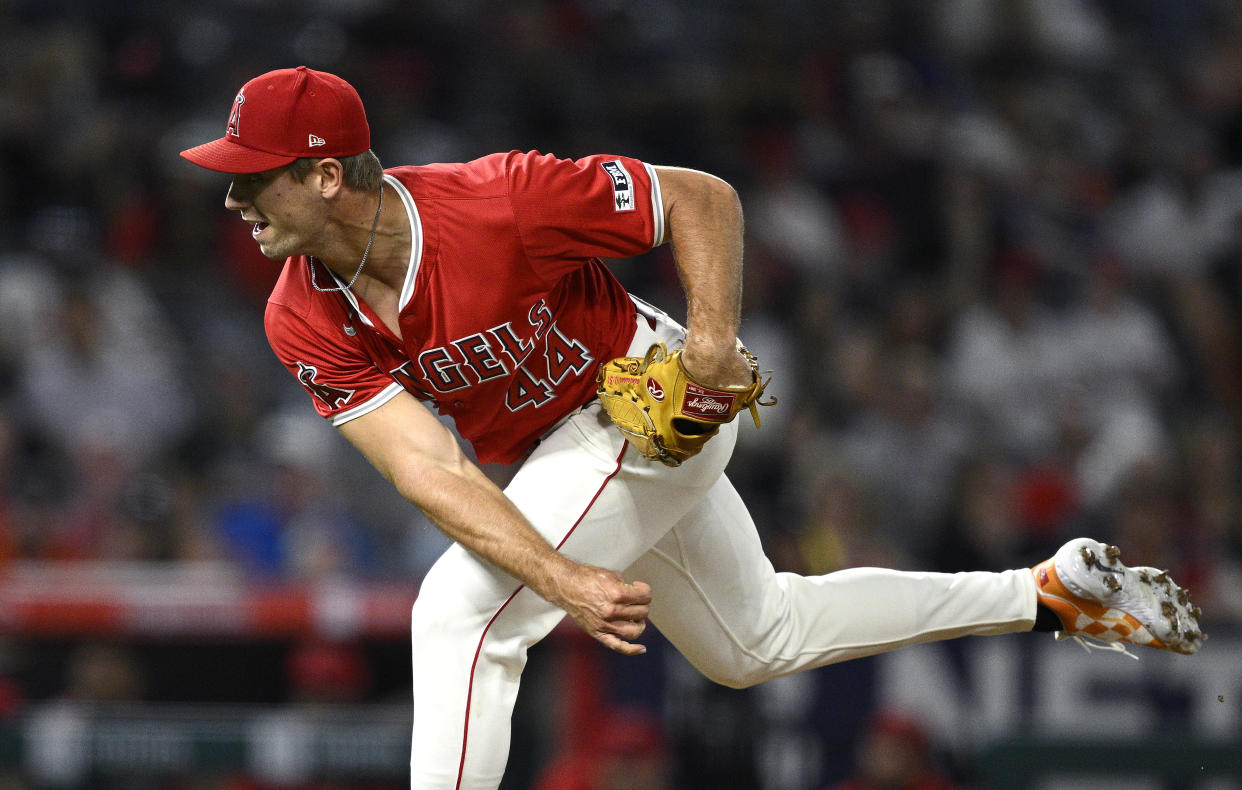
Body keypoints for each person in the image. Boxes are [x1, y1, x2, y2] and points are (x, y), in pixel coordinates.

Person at [180, 67, 1205, 790]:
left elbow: (698, 199)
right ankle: (1046, 593)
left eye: (251, 174)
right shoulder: (297, 311)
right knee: (754, 640)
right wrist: (559, 573)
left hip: (651, 397)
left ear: (324, 175)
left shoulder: (497, 201)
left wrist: (714, 339)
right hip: (557, 456)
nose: (232, 197)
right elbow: (424, 466)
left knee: (455, 613)